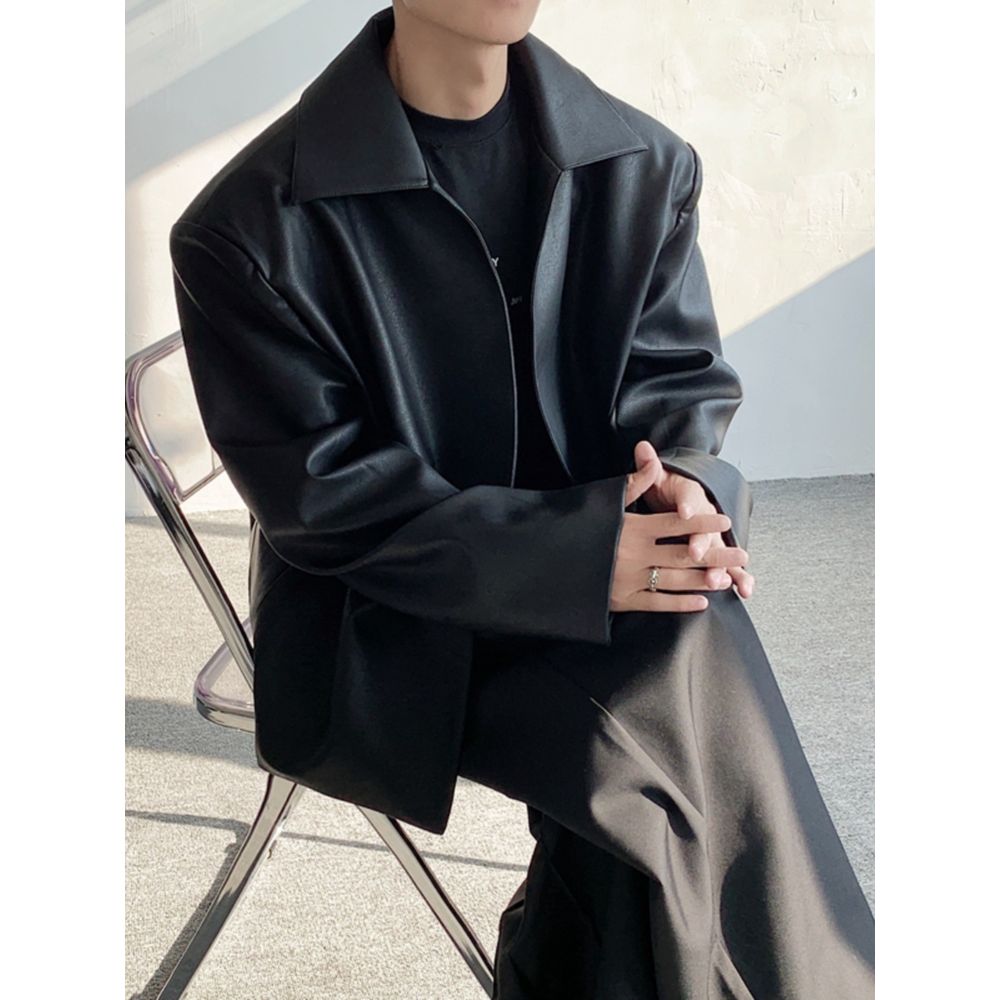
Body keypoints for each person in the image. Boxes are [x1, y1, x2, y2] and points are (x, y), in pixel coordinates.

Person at [169, 2, 875, 997]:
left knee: (666, 694)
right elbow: (326, 501)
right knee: (672, 688)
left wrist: (684, 487)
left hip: (589, 583)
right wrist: (580, 557)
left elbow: (675, 381)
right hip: (387, 625)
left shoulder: (640, 164)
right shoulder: (245, 228)